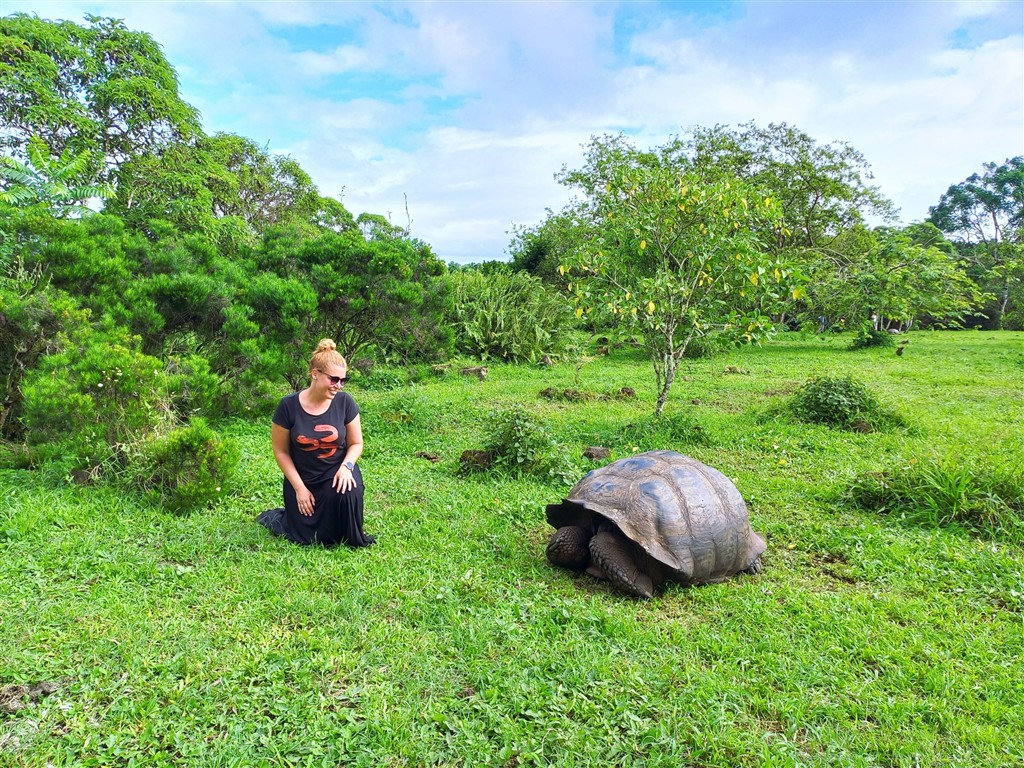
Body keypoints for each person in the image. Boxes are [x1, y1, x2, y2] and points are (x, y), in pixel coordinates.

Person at [257, 339, 375, 547]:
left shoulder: (345, 402)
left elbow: (356, 443)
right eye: (334, 379)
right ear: (315, 374)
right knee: (307, 537)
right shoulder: (288, 406)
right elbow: (281, 451)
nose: (339, 385)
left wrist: (347, 467)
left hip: (336, 470)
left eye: (343, 380)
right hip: (304, 476)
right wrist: (299, 489)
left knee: (348, 493)